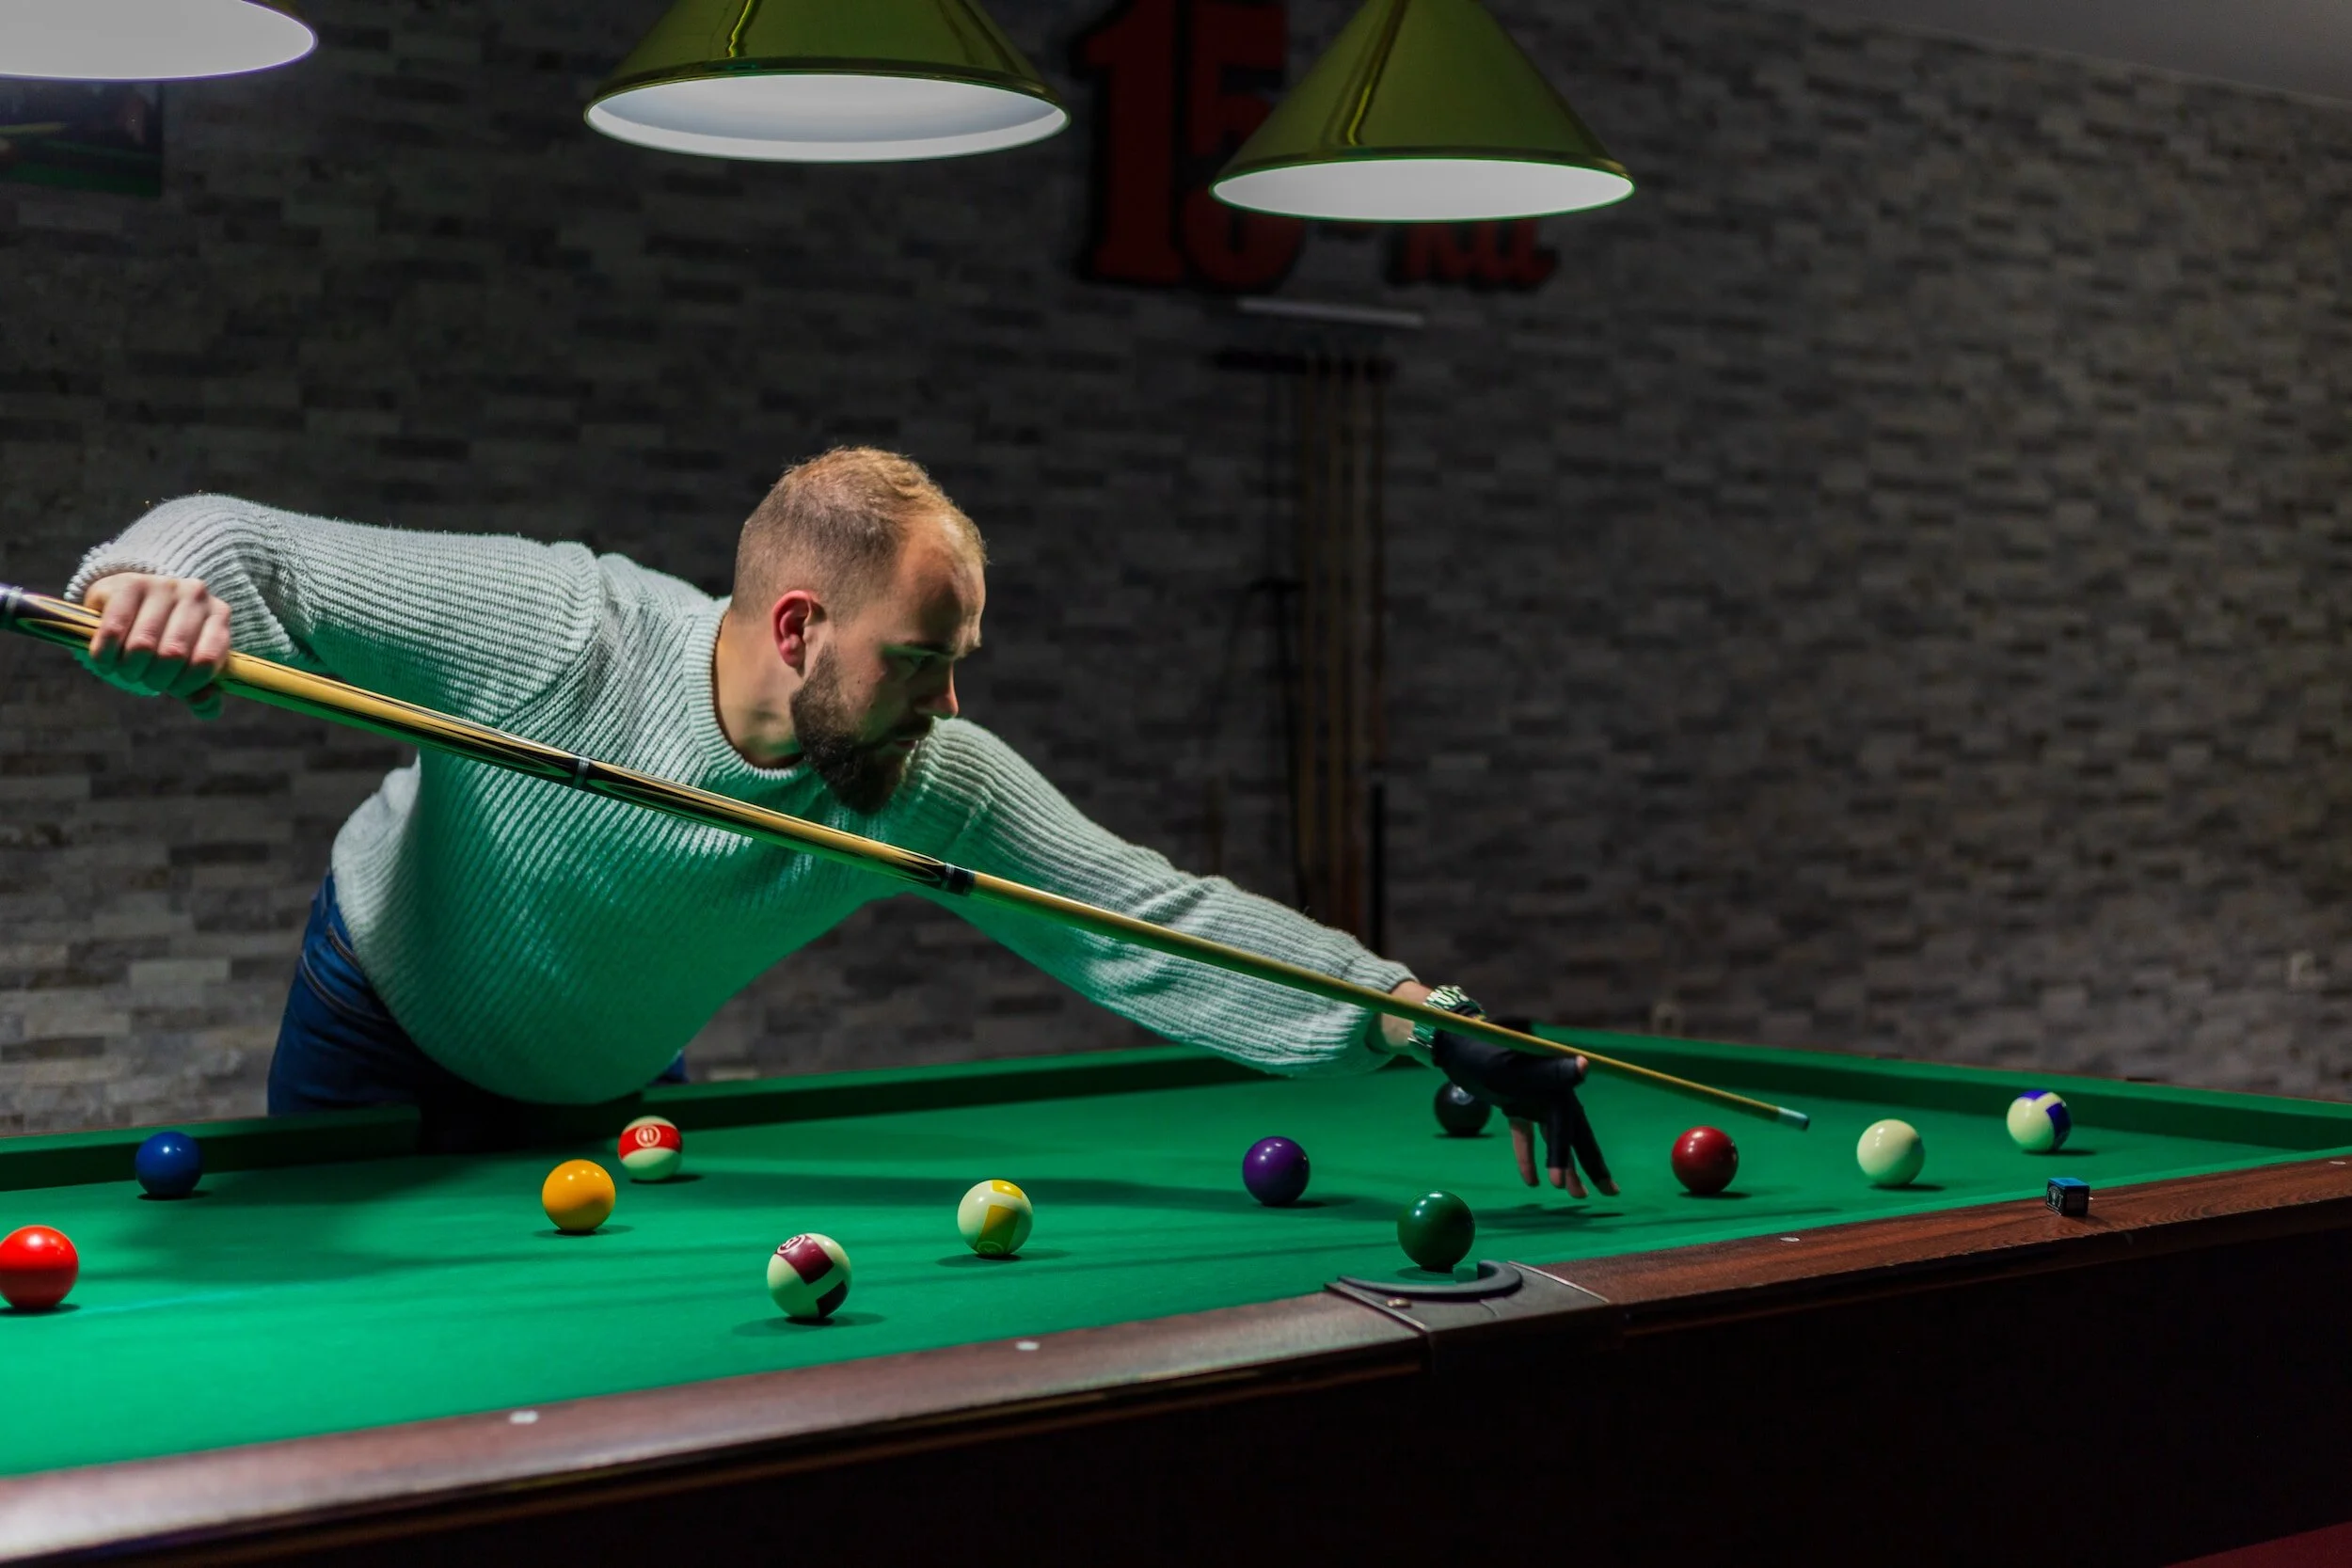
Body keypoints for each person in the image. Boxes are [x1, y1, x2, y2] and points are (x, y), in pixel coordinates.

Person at [70, 447, 1611, 1189]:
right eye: (921, 662)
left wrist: (1415, 1012)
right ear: (800, 626)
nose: (946, 706)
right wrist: (146, 588)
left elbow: (1154, 918)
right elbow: (251, 545)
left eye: (959, 664)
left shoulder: (922, 776)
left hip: (614, 1079)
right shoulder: (558, 629)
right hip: (378, 1028)